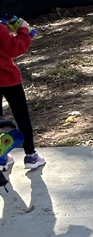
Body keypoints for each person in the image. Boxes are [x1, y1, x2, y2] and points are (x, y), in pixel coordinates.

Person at [0, 17, 45, 171]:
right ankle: (31, 155)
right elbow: (15, 48)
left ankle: (2, 157)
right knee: (21, 116)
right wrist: (23, 30)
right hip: (8, 79)